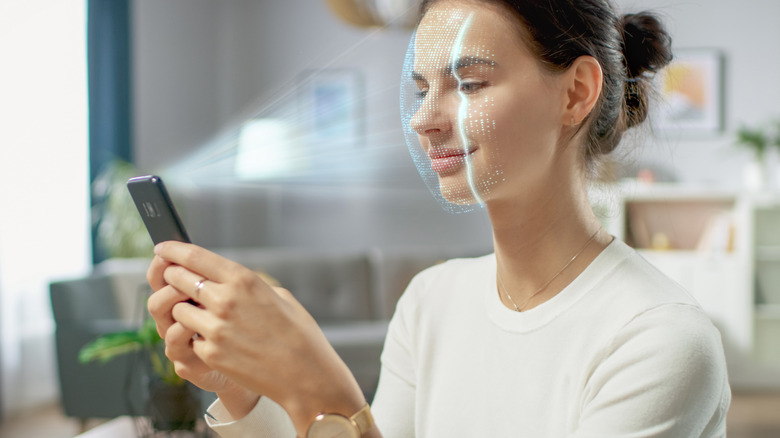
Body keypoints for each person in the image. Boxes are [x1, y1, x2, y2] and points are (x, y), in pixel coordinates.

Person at [147, 0, 731, 436]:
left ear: (575, 93)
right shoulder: (431, 301)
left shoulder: (659, 341)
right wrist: (249, 392)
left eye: (470, 84)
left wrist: (320, 390)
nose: (423, 120)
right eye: (422, 89)